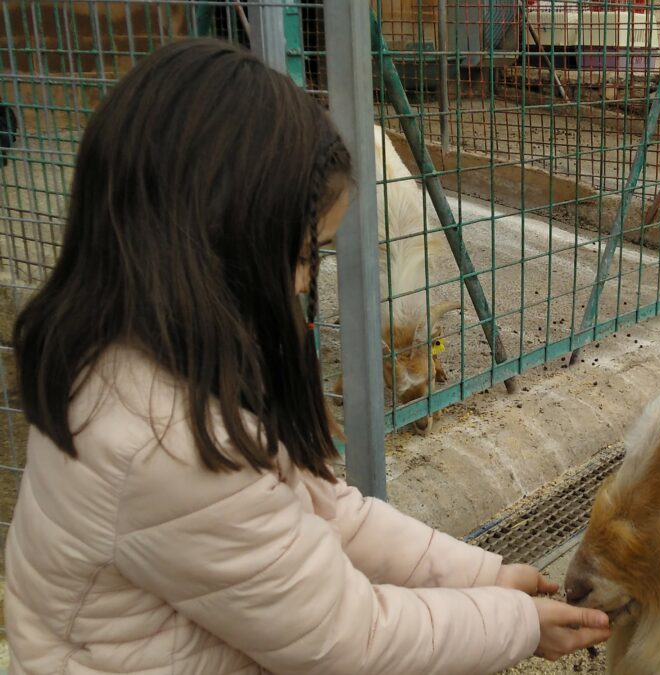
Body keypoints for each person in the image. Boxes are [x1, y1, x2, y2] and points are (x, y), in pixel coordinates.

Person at [4, 39, 609, 674]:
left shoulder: (139, 355)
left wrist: (482, 574)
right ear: (218, 241)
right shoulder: (171, 445)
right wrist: (517, 625)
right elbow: (351, 643)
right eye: (302, 254)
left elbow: (328, 513)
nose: (302, 283)